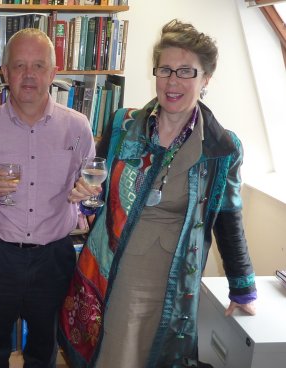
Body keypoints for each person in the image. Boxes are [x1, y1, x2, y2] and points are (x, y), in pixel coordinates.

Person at [59, 19, 257, 368]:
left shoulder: (222, 147)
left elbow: (229, 217)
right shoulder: (124, 124)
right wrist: (86, 193)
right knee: (114, 355)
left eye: (186, 71)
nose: (173, 81)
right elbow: (100, 188)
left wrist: (242, 288)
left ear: (206, 78)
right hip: (116, 270)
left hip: (176, 279)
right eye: (165, 70)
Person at [0, 28, 95, 368]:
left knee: (43, 350)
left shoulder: (77, 128)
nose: (29, 75)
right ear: (4, 73)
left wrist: (89, 193)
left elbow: (93, 186)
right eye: (19, 66)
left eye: (38, 65)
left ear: (53, 72)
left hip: (53, 258)